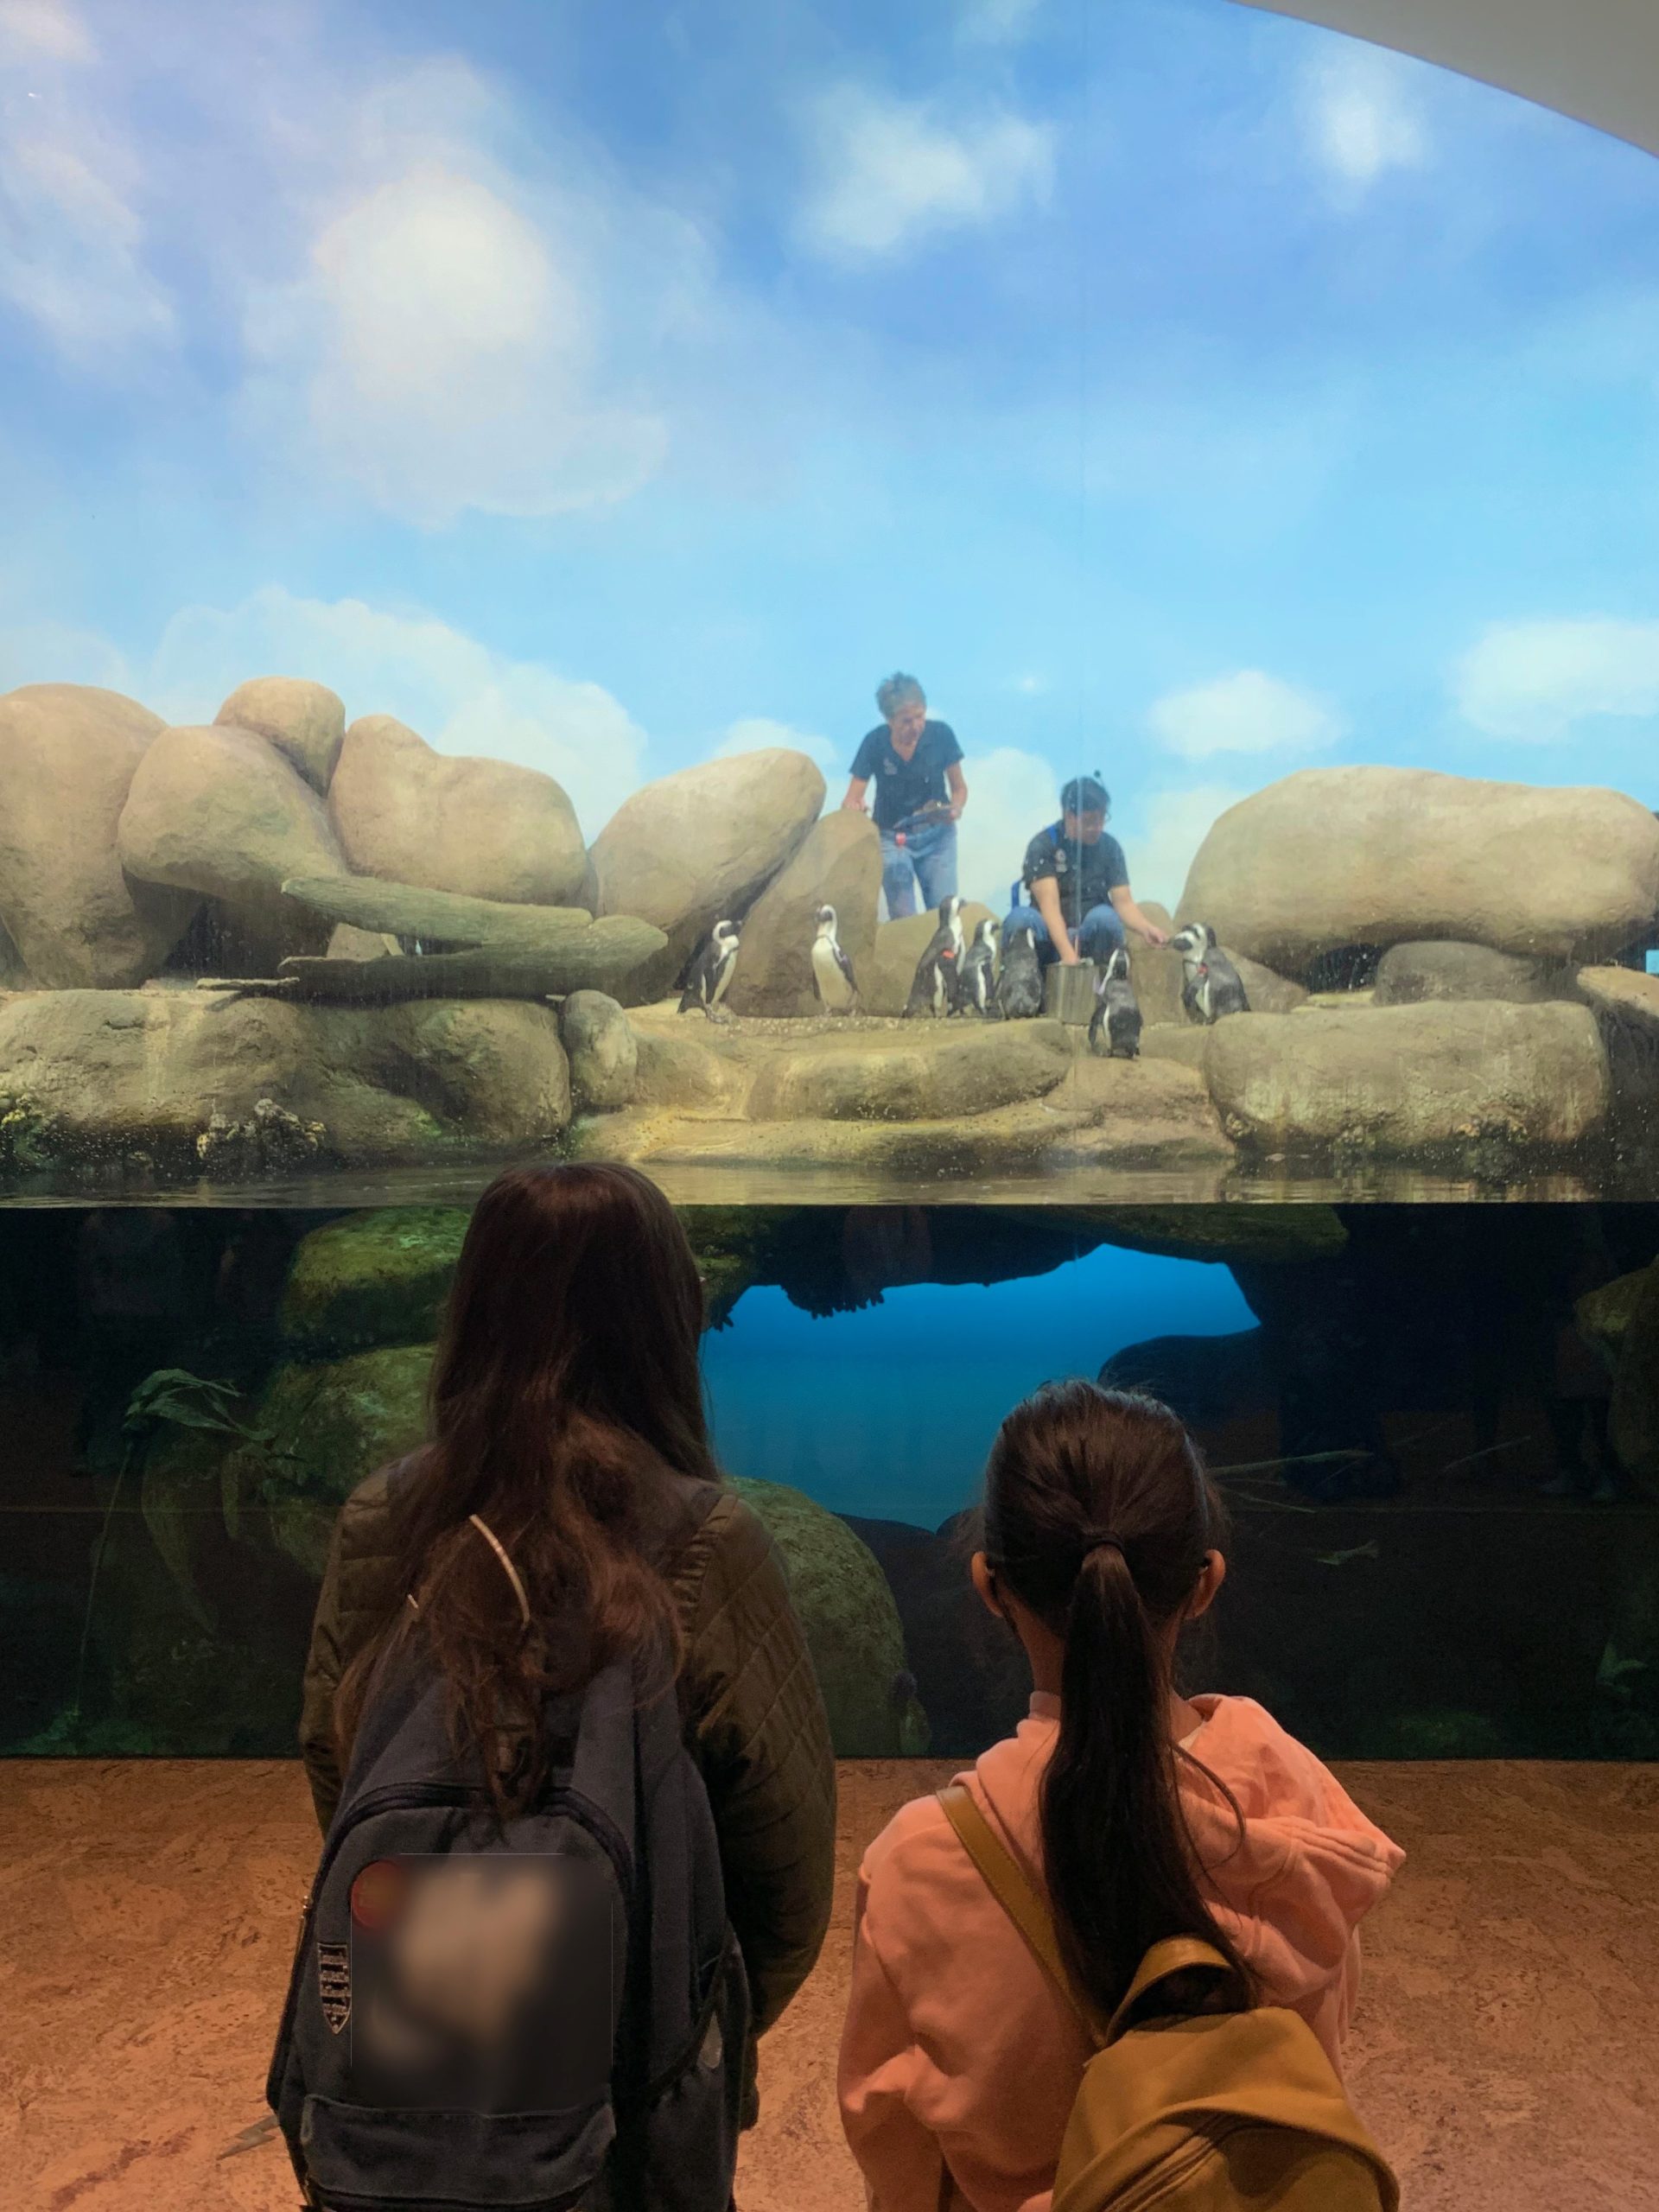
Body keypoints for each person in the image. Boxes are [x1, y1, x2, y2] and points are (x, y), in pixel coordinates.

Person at [299, 1162, 838, 2139]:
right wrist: (686, 2022)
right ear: (669, 1318)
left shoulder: (383, 1518)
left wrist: (441, 1957)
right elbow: (787, 1867)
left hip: (415, 2054)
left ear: (472, 1311)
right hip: (631, 2076)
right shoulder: (707, 1539)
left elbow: (339, 1764)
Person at [838, 1381, 1403, 2212]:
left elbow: (892, 2141)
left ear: (992, 1587)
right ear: (1204, 1582)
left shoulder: (921, 1859)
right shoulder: (1300, 1803)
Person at [1005, 774, 1168, 968]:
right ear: (1069, 816)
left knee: (1105, 918)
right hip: (1049, 938)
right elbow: (1050, 906)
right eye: (1089, 821)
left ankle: (1104, 989)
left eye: (1101, 819)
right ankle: (1023, 993)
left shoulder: (1109, 847)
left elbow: (1123, 902)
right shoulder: (1043, 845)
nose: (1097, 827)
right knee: (1020, 919)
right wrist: (1069, 957)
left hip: (1091, 938)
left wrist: (1146, 928)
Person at [842, 672, 969, 919]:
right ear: (889, 720)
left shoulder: (941, 734)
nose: (915, 726)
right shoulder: (874, 743)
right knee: (904, 919)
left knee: (946, 914)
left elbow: (960, 788)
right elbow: (851, 798)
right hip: (893, 839)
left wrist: (956, 808)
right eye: (906, 721)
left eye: (920, 717)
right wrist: (854, 807)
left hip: (938, 838)